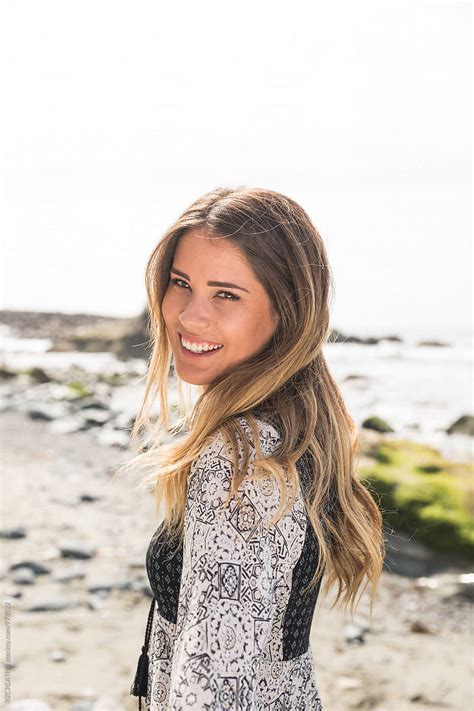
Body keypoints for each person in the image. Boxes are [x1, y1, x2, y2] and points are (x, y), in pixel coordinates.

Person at [122, 186, 385, 710]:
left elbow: (212, 687)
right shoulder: (292, 433)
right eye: (181, 284)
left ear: (285, 310)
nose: (190, 316)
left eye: (226, 294)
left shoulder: (241, 461)